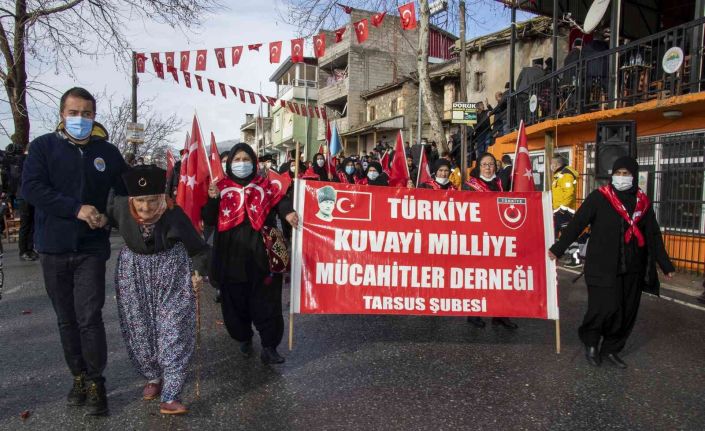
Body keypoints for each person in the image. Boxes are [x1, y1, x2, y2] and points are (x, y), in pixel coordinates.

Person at [21, 87, 129, 415]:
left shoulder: (107, 152)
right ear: (61, 115)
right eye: (73, 112)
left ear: (94, 116)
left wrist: (115, 214)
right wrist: (76, 208)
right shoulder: (42, 147)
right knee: (66, 319)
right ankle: (78, 377)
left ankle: (97, 382)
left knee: (89, 317)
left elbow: (126, 192)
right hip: (53, 247)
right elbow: (32, 188)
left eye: (86, 113)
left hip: (91, 249)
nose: (79, 119)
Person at [549, 156, 675, 368]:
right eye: (619, 173)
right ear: (612, 175)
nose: (622, 177)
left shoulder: (642, 202)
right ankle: (590, 342)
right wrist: (558, 248)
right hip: (602, 266)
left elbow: (653, 234)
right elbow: (578, 223)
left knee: (626, 311)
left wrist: (665, 264)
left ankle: (611, 349)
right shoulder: (600, 197)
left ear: (633, 176)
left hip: (632, 267)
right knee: (603, 308)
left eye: (626, 174)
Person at [107, 165, 209, 415]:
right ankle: (153, 377)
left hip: (172, 275)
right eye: (140, 201)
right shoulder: (119, 207)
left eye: (152, 201)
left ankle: (171, 395)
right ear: (131, 199)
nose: (146, 208)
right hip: (134, 273)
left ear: (162, 198)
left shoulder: (174, 214)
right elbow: (99, 210)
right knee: (140, 330)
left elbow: (199, 249)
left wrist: (198, 273)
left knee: (173, 330)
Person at [202, 143, 298, 365]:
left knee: (267, 303)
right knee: (235, 303)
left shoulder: (264, 185)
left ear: (254, 162)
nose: (242, 163)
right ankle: (244, 337)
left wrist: (289, 213)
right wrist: (213, 199)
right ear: (229, 163)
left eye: (246, 159)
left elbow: (280, 201)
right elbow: (208, 219)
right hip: (230, 258)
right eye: (237, 160)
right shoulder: (220, 187)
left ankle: (269, 346)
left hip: (262, 256)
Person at [463, 153, 518, 330]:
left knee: (501, 278)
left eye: (491, 164)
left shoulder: (502, 184)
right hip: (477, 237)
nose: (488, 168)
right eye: (485, 164)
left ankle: (501, 314)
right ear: (479, 166)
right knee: (478, 278)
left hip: (499, 236)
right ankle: (474, 313)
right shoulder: (469, 186)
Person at [551, 155, 581, 266]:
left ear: (556, 164)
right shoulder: (559, 175)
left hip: (564, 211)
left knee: (567, 235)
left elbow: (569, 193)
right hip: (559, 210)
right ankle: (562, 255)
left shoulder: (566, 175)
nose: (551, 166)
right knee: (559, 234)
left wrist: (562, 209)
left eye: (552, 164)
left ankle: (576, 258)